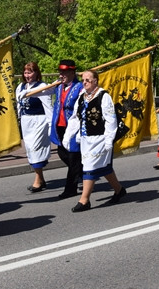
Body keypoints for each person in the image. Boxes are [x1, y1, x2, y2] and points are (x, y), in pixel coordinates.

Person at [68, 69, 126, 212]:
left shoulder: (103, 96)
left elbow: (111, 120)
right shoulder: (82, 96)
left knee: (89, 167)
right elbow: (75, 118)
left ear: (95, 81)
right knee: (103, 167)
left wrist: (109, 140)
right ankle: (119, 190)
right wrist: (68, 135)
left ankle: (84, 200)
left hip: (100, 138)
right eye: (83, 80)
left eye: (88, 80)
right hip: (86, 139)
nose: (84, 82)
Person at [50, 59, 84, 199]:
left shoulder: (80, 87)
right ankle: (84, 172)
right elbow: (42, 91)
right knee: (62, 153)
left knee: (73, 157)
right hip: (59, 126)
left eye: (64, 72)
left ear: (72, 73)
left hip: (72, 127)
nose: (61, 75)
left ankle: (70, 189)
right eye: (60, 72)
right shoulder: (58, 86)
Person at [16, 61, 52, 193]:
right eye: (25, 72)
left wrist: (50, 124)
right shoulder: (20, 86)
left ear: (36, 73)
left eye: (30, 72)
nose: (27, 75)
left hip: (39, 120)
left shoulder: (42, 86)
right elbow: (19, 104)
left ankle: (38, 180)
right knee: (30, 150)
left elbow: (48, 107)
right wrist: (19, 119)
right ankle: (40, 178)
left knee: (35, 148)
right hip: (26, 121)